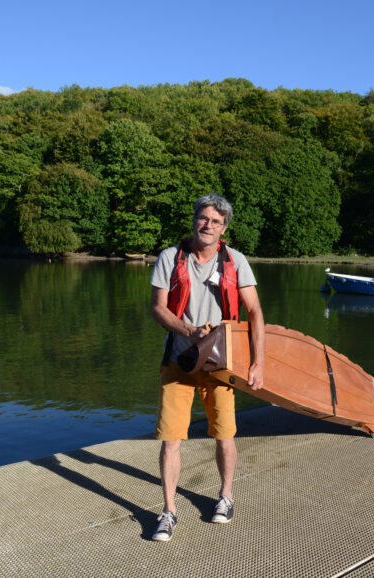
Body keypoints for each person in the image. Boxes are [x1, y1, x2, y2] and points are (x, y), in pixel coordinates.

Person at [148, 193, 265, 542]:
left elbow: (256, 312)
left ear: (224, 227)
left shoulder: (236, 261)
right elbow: (157, 308)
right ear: (194, 219)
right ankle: (168, 512)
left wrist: (259, 363)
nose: (208, 225)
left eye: (216, 221)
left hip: (220, 364)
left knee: (224, 434)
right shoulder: (170, 258)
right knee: (171, 439)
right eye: (203, 218)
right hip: (179, 363)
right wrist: (187, 330)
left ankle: (225, 496)